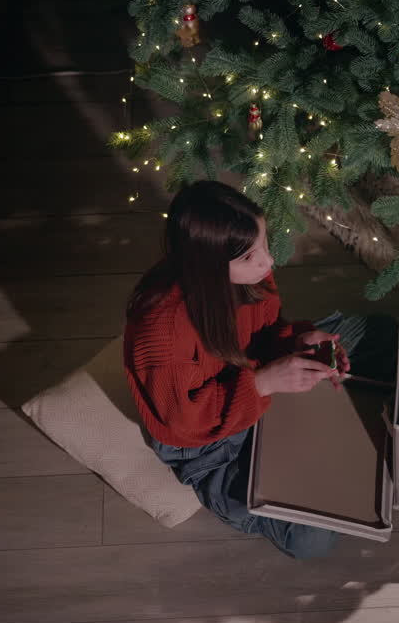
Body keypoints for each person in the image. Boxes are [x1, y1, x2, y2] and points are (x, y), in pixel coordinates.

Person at [123, 180, 355, 559]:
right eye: (251, 256)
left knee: (375, 332)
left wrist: (297, 341)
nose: (269, 262)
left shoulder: (250, 277)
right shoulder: (161, 330)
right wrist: (263, 383)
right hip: (207, 443)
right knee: (312, 539)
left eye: (264, 244)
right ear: (210, 265)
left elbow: (267, 331)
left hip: (255, 386)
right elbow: (184, 423)